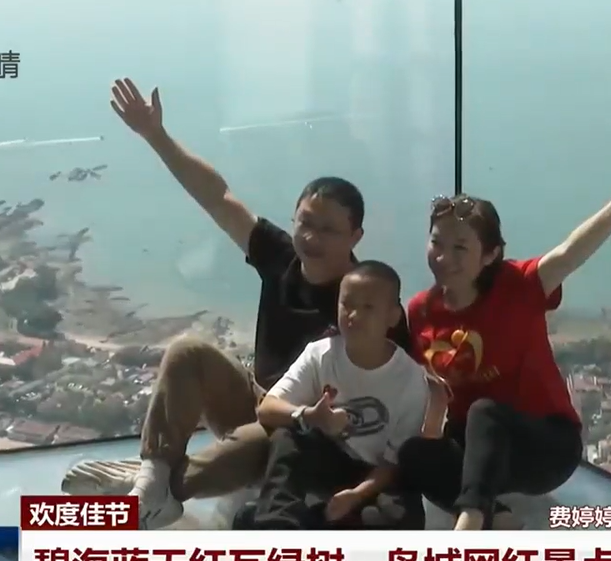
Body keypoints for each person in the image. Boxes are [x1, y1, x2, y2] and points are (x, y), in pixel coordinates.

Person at [60, 77, 414, 529]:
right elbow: (217, 197)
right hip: (256, 397)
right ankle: (153, 478)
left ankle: (156, 488)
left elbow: (396, 386)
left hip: (305, 430)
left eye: (328, 230)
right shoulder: (280, 256)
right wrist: (155, 135)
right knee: (188, 351)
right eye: (305, 223)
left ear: (355, 236)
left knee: (245, 452)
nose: (311, 238)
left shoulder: (365, 301)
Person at [398, 153, 611, 530]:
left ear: (490, 255)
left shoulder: (517, 287)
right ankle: (499, 519)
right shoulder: (420, 310)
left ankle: (471, 523)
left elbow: (571, 252)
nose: (443, 257)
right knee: (414, 454)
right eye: (436, 242)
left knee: (485, 412)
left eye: (460, 247)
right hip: (478, 450)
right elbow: (434, 390)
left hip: (544, 447)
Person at [234, 261, 428, 530]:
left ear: (393, 316)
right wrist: (309, 416)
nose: (354, 315)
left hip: (375, 476)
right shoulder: (321, 354)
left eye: (368, 307)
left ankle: (309, 522)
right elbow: (267, 409)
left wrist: (356, 495)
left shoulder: (410, 379)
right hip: (330, 461)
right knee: (289, 436)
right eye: (347, 304)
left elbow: (393, 464)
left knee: (403, 519)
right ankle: (275, 527)